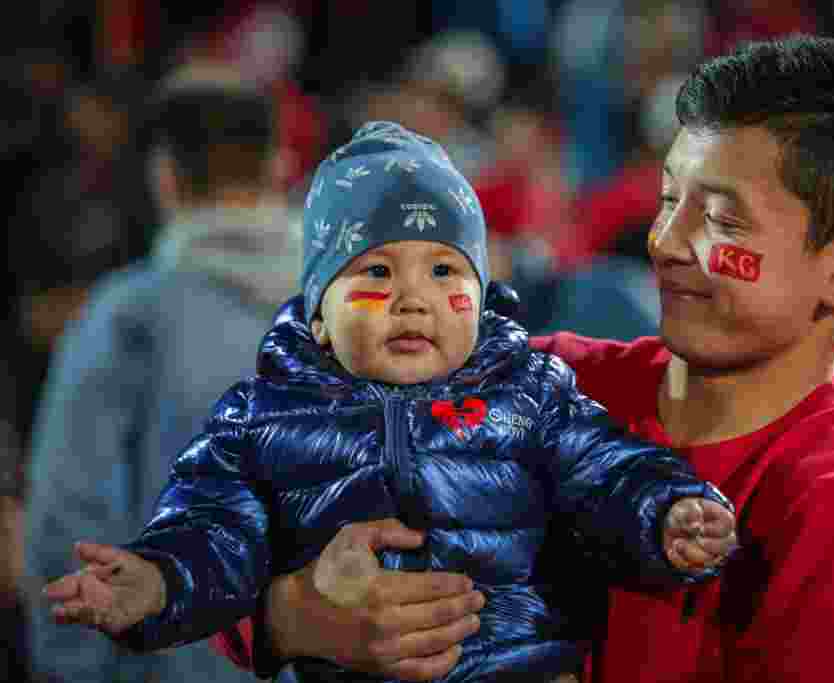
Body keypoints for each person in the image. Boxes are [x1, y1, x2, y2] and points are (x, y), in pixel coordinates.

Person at [211, 35, 834, 682]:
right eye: (669, 199)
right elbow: (247, 503)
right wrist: (298, 616)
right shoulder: (539, 378)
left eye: (721, 218)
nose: (663, 242)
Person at [42, 121, 739, 683]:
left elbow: (609, 471)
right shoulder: (262, 418)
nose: (414, 298)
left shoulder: (531, 393)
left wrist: (667, 512)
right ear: (317, 313)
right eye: (376, 271)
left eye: (444, 270)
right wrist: (158, 580)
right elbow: (214, 529)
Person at [24, 63, 299, 683]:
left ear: (166, 177)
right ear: (278, 167)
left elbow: (71, 518)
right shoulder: (352, 307)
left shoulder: (129, 316)